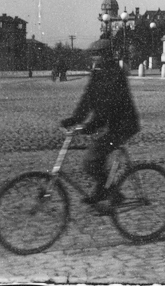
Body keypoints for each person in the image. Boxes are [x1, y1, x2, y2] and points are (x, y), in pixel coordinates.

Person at [60, 39, 140, 204]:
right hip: (111, 125)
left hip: (123, 125)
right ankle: (107, 192)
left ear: (106, 55)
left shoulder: (114, 74)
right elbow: (87, 100)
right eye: (93, 55)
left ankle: (112, 193)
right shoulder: (98, 73)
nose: (94, 58)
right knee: (96, 159)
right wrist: (74, 119)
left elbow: (108, 107)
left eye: (97, 54)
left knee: (91, 160)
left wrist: (89, 127)